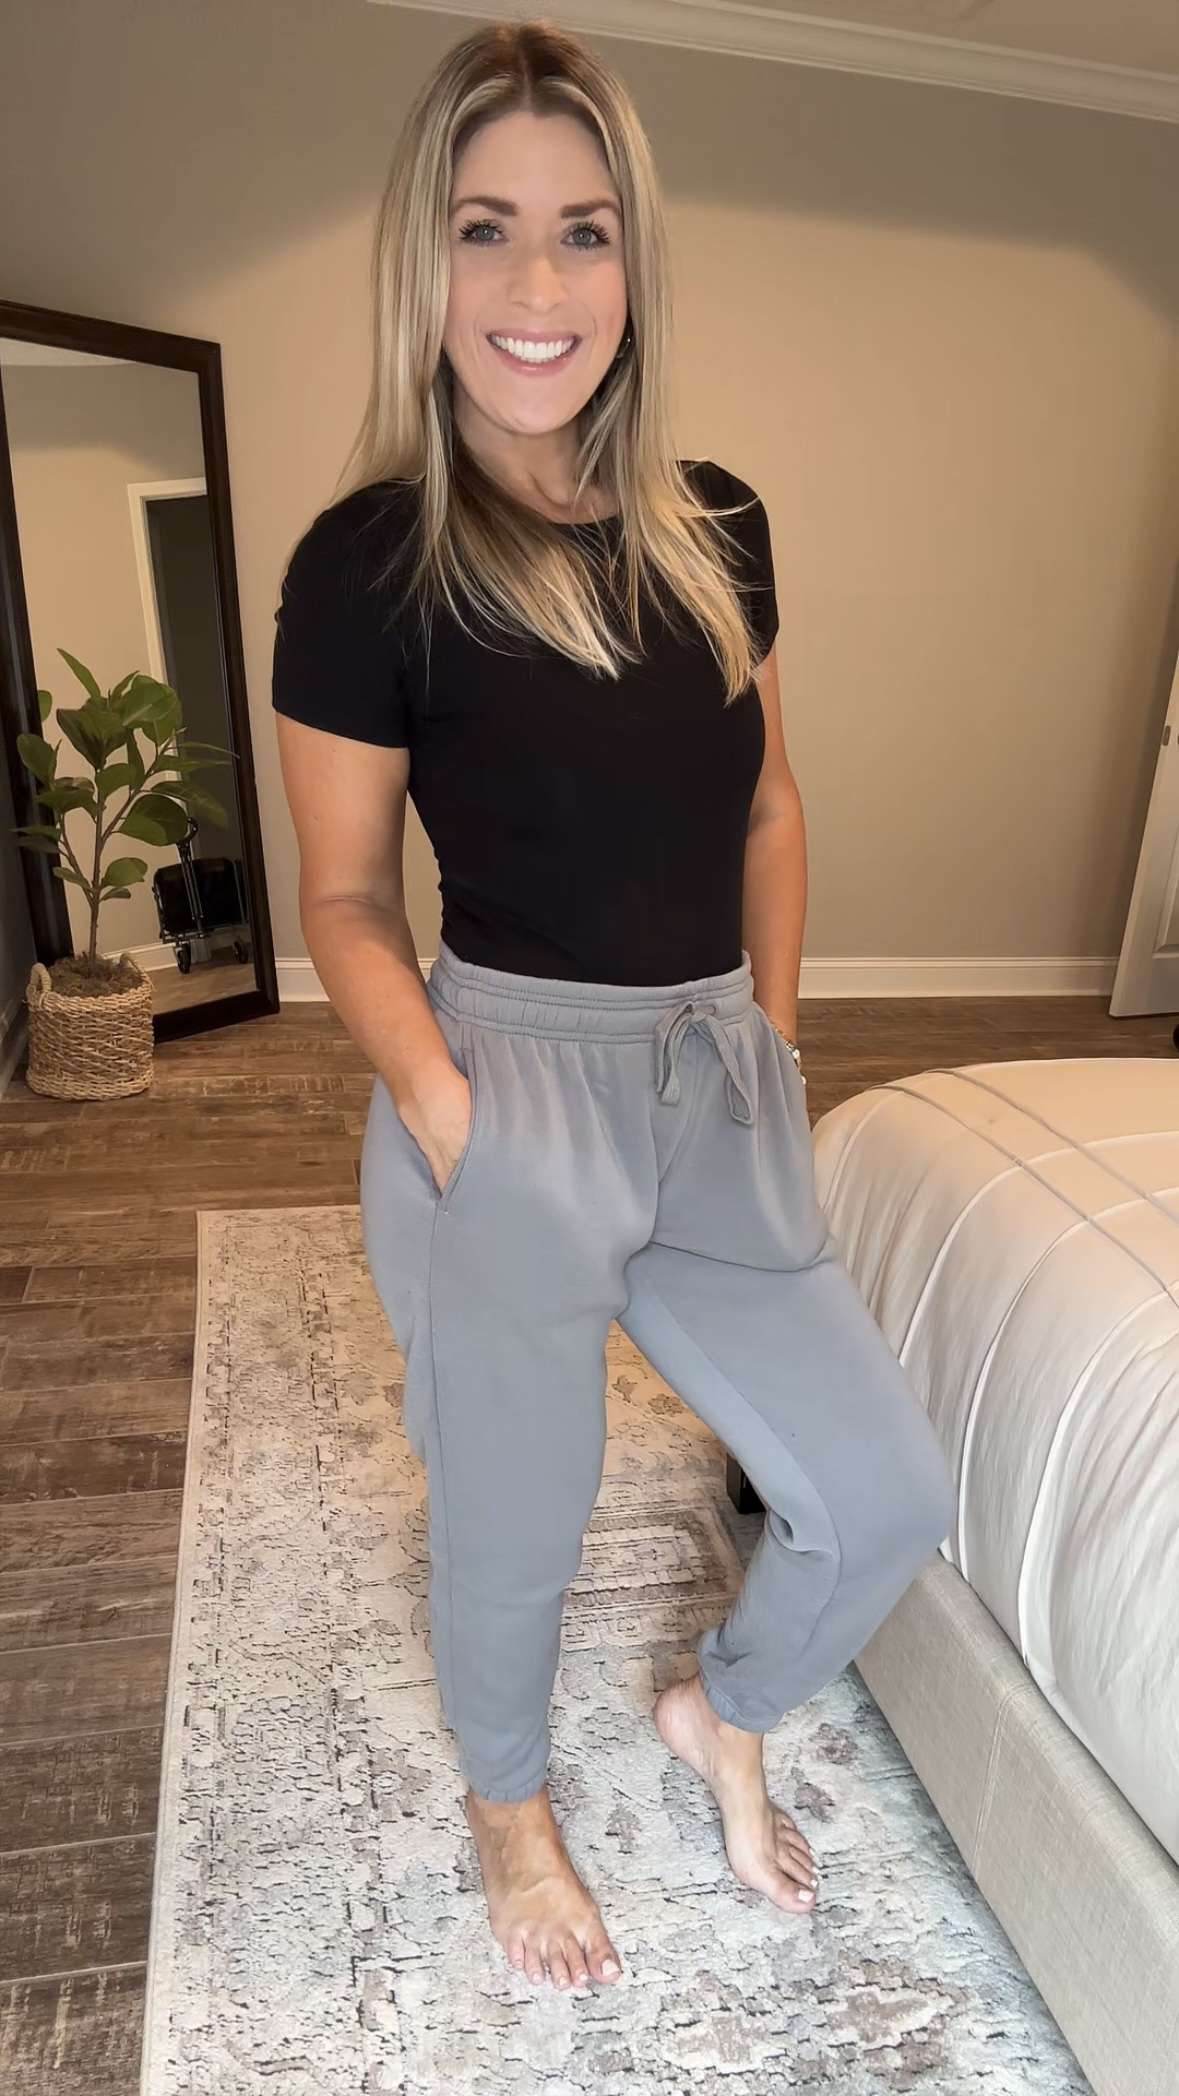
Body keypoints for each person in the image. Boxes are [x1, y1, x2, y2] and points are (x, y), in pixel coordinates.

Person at [272, 17, 955, 2002]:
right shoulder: (369, 563)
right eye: (484, 228)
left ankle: (717, 1711)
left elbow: (768, 803)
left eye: (583, 231)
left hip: (712, 1078)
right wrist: (457, 1118)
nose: (537, 284)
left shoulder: (717, 523)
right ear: (424, 260)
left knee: (882, 1493)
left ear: (633, 259)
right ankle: (509, 1809)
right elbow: (343, 898)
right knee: (517, 1516)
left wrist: (778, 1041)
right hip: (504, 1081)